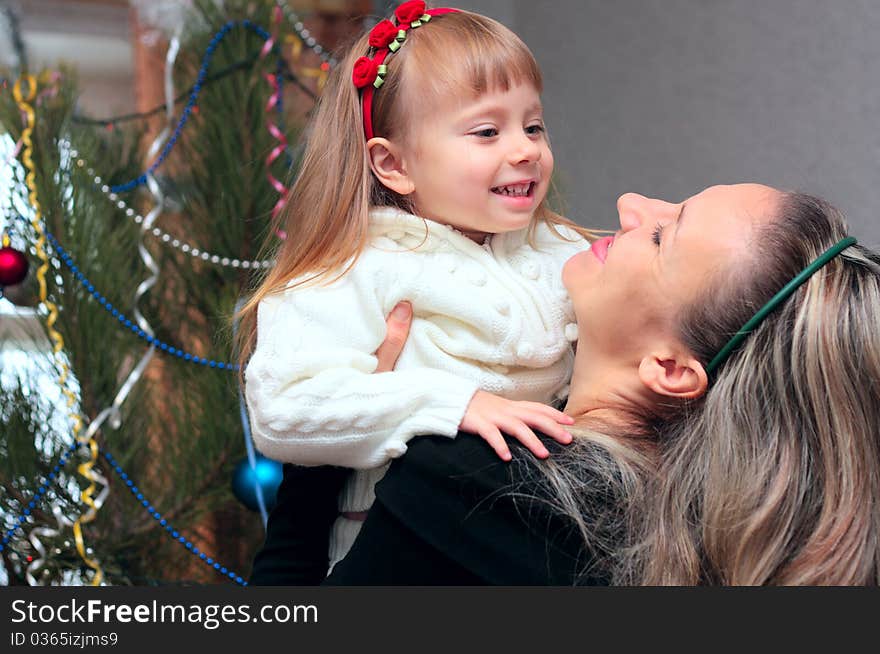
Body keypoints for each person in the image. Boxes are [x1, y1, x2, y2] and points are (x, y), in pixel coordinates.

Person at [252, 183, 880, 585]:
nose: (631, 204)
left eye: (663, 235)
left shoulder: (481, 482)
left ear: (669, 369)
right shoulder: (694, 531)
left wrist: (340, 432)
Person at [239, 2, 597, 574]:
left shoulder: (561, 249)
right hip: (398, 553)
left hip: (538, 541)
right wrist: (451, 404)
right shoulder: (355, 267)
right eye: (487, 131)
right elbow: (284, 407)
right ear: (394, 164)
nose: (526, 148)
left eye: (533, 125)